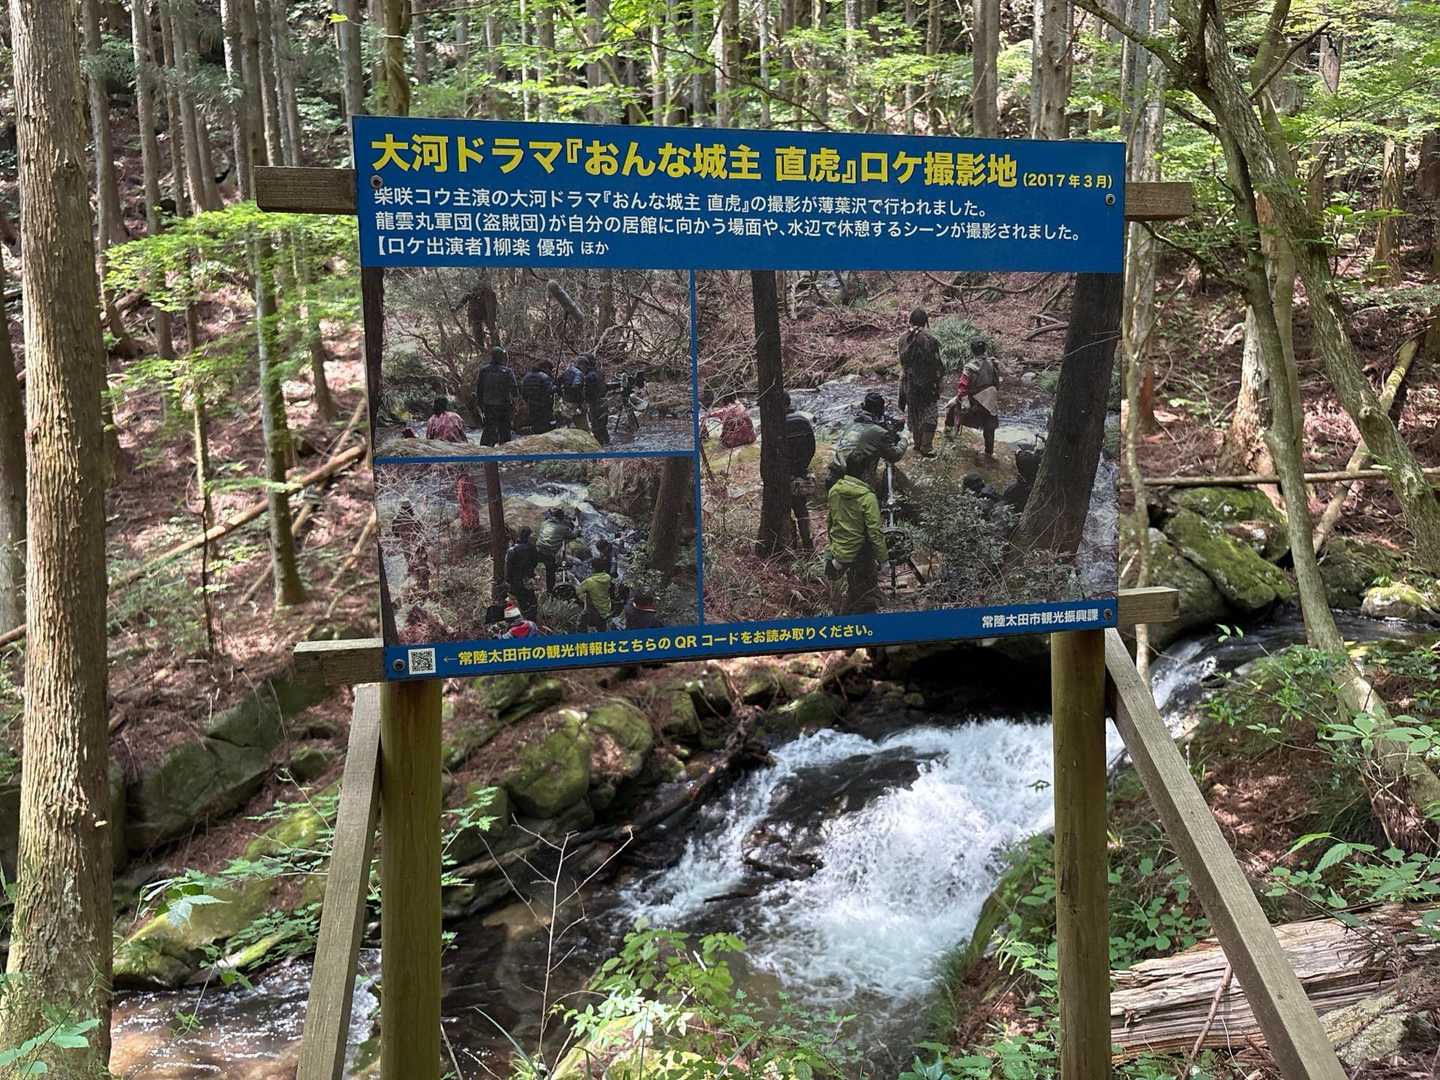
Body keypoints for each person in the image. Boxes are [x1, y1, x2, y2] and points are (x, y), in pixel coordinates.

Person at [824, 472, 889, 615]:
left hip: (838, 553)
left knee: (847, 594)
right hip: (861, 553)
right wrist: (883, 560)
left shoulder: (834, 491)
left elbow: (830, 522)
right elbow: (874, 533)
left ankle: (843, 620)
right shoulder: (868, 497)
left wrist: (833, 547)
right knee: (865, 597)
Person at [828, 390, 907, 492]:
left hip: (832, 480)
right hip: (854, 486)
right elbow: (895, 455)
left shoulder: (851, 425)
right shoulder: (879, 432)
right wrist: (904, 438)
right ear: (880, 411)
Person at [897, 308, 945, 456]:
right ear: (925, 322)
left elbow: (903, 363)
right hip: (927, 385)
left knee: (914, 414)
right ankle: (927, 447)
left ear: (910, 321)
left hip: (909, 384)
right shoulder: (930, 340)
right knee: (930, 415)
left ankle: (917, 445)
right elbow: (937, 364)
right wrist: (940, 382)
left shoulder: (902, 339)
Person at [779, 391, 817, 550]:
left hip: (783, 476)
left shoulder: (777, 425)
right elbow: (812, 447)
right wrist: (803, 466)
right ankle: (808, 544)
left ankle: (792, 545)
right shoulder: (803, 420)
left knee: (784, 511)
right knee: (802, 510)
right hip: (801, 472)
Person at [961, 339, 1001, 458]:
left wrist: (964, 401)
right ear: (985, 350)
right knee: (990, 427)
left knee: (953, 411)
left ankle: (952, 438)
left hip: (975, 402)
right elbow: (997, 383)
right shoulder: (993, 363)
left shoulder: (969, 367)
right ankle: (989, 452)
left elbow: (962, 387)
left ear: (972, 351)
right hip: (990, 400)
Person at [475, 346, 519, 446]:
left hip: (488, 406)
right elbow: (514, 390)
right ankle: (505, 451)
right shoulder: (507, 371)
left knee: (489, 430)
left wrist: (480, 405)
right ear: (501, 357)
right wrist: (515, 405)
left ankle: (485, 451)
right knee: (505, 431)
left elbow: (479, 389)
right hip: (504, 406)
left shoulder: (484, 371)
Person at [504, 526, 542, 619]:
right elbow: (535, 562)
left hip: (516, 581)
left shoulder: (512, 550)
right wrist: (531, 573)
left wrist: (508, 580)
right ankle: (532, 619)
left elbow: (508, 568)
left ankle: (524, 619)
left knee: (521, 601)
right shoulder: (532, 548)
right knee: (531, 599)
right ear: (528, 536)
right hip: (528, 579)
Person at [535, 508, 575, 593]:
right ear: (562, 518)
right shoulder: (563, 528)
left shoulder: (545, 523)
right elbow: (572, 535)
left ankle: (533, 579)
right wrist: (578, 530)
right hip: (549, 553)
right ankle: (550, 591)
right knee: (550, 572)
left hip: (538, 549)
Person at [577, 555, 615, 631]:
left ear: (593, 568)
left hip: (594, 610)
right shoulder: (608, 577)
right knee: (602, 628)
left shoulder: (589, 581)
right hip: (606, 608)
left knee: (582, 618)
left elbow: (578, 591)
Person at [581, 354, 610, 447]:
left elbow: (588, 392)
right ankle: (608, 445)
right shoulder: (599, 372)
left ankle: (599, 448)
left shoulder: (589, 376)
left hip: (595, 403)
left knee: (596, 428)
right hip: (604, 401)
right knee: (603, 427)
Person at [520, 361, 556, 434]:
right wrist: (555, 387)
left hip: (531, 405)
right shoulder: (545, 377)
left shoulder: (526, 377)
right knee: (550, 424)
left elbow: (523, 392)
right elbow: (549, 391)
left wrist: (528, 401)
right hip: (544, 406)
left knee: (535, 423)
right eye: (550, 369)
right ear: (546, 368)